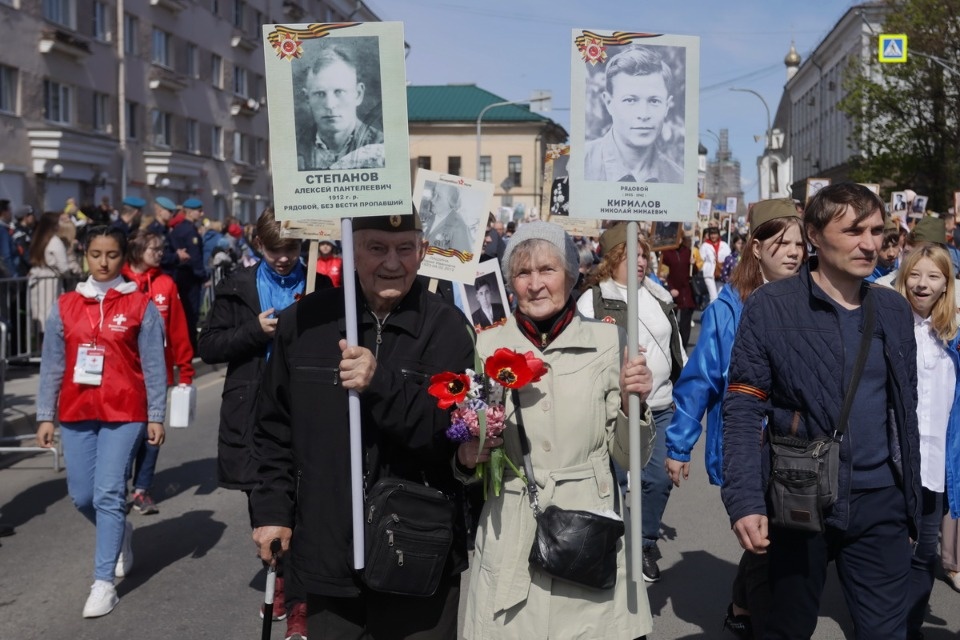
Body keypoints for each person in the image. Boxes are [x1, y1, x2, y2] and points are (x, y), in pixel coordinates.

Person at [249, 210, 472, 639]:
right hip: (328, 546)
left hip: (418, 551)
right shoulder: (305, 322)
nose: (392, 262)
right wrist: (273, 511)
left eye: (405, 249)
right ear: (351, 252)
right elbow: (271, 429)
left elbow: (445, 433)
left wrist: (380, 383)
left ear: (422, 252)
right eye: (377, 248)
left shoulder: (447, 328)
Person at [722, 183, 921, 639]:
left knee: (888, 632)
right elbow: (743, 408)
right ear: (814, 233)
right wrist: (746, 500)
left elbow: (905, 414)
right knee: (786, 628)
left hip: (880, 503)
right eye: (853, 231)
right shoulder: (771, 307)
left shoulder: (891, 309)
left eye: (876, 230)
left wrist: (910, 503)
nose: (869, 243)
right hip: (798, 500)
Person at [459, 220, 654, 639]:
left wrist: (629, 402)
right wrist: (471, 448)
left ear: (571, 274)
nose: (535, 284)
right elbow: (474, 451)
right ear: (510, 282)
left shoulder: (610, 341)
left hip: (588, 526)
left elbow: (630, 457)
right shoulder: (487, 346)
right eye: (523, 273)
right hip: (511, 523)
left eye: (547, 270)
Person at [665, 198, 806, 639]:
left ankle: (742, 605)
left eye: (800, 243)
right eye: (782, 242)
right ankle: (757, 616)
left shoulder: (815, 298)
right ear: (756, 248)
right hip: (749, 447)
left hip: (800, 446)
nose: (794, 252)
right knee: (769, 541)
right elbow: (700, 378)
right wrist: (679, 443)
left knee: (777, 539)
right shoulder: (729, 308)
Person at [198, 208, 328, 640]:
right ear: (259, 245)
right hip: (253, 415)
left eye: (291, 248)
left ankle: (298, 603)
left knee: (306, 508)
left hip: (305, 409)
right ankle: (282, 577)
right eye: (276, 250)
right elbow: (211, 346)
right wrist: (254, 332)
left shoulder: (320, 286)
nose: (284, 258)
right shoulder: (236, 288)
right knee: (266, 510)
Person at [34, 225, 166, 618]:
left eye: (111, 255)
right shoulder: (66, 305)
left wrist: (155, 415)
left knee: (109, 493)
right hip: (76, 411)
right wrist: (45, 415)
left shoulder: (140, 304)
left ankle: (103, 582)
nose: (104, 262)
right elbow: (52, 365)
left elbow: (155, 367)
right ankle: (120, 531)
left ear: (123, 256)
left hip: (125, 411)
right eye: (95, 254)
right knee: (82, 497)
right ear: (85, 256)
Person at [576, 223, 685, 583]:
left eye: (644, 255)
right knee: (619, 483)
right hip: (617, 409)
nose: (640, 262)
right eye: (631, 254)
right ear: (612, 259)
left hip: (661, 405)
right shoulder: (593, 299)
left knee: (657, 480)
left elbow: (675, 347)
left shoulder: (658, 295)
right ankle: (619, 547)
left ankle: (645, 541)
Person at [893, 243, 960, 639]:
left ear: (946, 284)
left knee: (924, 555)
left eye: (933, 276)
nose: (922, 284)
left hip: (937, 465)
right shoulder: (888, 323)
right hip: (894, 462)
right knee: (892, 552)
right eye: (915, 274)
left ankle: (909, 626)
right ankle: (883, 625)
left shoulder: (953, 335)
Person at [122, 230, 195, 515]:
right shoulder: (122, 281)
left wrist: (186, 371)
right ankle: (118, 486)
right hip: (124, 375)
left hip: (158, 374)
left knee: (152, 433)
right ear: (137, 250)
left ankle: (142, 489)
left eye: (161, 249)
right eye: (153, 249)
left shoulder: (165, 283)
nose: (160, 253)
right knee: (128, 433)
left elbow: (178, 330)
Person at [584, 44, 683, 184]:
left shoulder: (678, 178)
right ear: (608, 103)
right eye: (630, 100)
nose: (643, 114)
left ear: (667, 106)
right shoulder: (578, 165)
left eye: (654, 101)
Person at [296, 46, 384, 171]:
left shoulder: (383, 147)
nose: (330, 105)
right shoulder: (292, 150)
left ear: (358, 94)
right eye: (320, 94)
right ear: (307, 98)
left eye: (339, 92)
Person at [28, 212, 82, 338]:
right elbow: (63, 267)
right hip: (50, 283)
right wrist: (70, 274)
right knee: (50, 316)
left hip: (37, 280)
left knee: (39, 315)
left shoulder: (38, 238)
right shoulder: (54, 241)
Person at [167, 198, 206, 351]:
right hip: (190, 276)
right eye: (199, 210)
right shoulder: (189, 231)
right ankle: (191, 345)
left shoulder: (179, 228)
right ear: (190, 212)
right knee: (191, 312)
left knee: (183, 311)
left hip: (181, 275)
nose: (202, 213)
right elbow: (195, 256)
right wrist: (202, 276)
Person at [659, 233, 696, 347]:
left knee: (685, 322)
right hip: (673, 291)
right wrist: (670, 289)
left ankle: (683, 346)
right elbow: (663, 274)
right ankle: (672, 346)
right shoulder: (666, 253)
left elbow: (694, 273)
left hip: (686, 291)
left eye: (680, 237)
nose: (678, 240)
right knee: (671, 322)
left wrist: (693, 265)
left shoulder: (687, 251)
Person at [424, 183, 473, 252]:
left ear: (451, 202)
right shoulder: (431, 217)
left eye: (439, 196)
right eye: (434, 194)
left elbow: (463, 260)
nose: (432, 200)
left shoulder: (460, 227)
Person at [699, 223, 730, 303]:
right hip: (709, 273)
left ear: (718, 235)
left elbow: (729, 258)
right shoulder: (705, 245)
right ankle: (711, 314)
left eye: (715, 234)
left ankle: (718, 315)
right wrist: (704, 268)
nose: (713, 236)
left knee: (720, 296)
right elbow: (701, 259)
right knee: (713, 297)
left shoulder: (724, 245)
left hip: (721, 273)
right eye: (711, 234)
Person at [866, 217, 901, 283]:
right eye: (884, 248)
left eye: (895, 246)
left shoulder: (898, 266)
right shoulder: (866, 278)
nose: (891, 253)